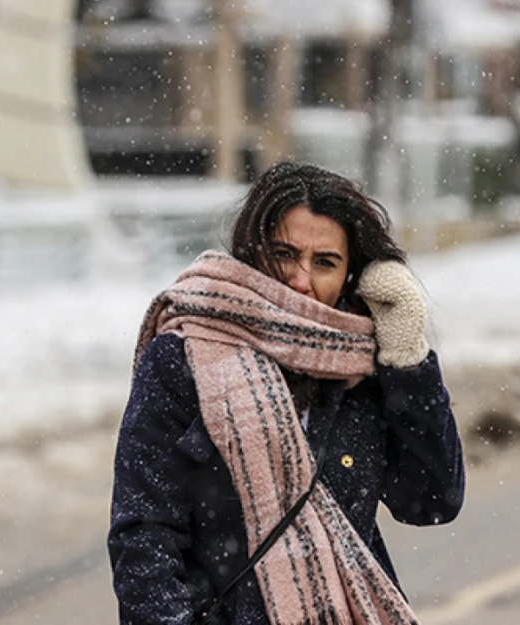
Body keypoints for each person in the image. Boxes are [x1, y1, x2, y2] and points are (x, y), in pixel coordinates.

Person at [108, 162, 465, 624]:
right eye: (284, 253)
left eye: (325, 262)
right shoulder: (184, 357)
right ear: (252, 253)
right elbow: (144, 535)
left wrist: (407, 356)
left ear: (351, 276)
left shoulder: (361, 370)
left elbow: (434, 500)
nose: (300, 279)